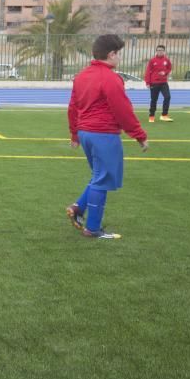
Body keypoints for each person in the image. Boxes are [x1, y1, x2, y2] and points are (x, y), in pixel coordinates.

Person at [66, 35, 148, 239]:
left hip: (86, 133)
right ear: (111, 54)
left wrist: (75, 133)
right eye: (118, 53)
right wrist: (139, 135)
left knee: (99, 176)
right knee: (102, 180)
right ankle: (92, 228)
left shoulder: (82, 76)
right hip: (102, 133)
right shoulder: (111, 78)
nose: (119, 57)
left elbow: (73, 107)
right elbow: (123, 110)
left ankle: (78, 208)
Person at [145, 45, 173, 123]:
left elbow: (169, 68)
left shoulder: (166, 60)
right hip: (154, 83)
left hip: (164, 82)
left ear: (164, 51)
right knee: (154, 100)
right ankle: (151, 116)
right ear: (156, 51)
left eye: (161, 50)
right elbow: (148, 72)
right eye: (158, 50)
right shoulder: (152, 61)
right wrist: (147, 82)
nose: (159, 51)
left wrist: (165, 72)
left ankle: (164, 115)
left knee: (167, 97)